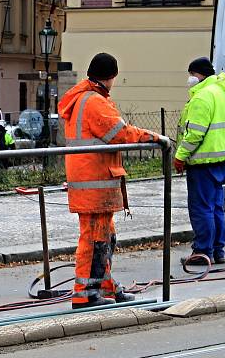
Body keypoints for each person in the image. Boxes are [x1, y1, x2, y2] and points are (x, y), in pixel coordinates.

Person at [58, 53, 162, 308]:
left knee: (104, 237)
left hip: (90, 181)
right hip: (95, 182)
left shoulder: (84, 99)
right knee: (94, 239)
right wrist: (153, 138)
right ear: (111, 77)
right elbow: (120, 134)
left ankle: (104, 285)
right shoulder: (95, 102)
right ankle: (85, 292)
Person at [174, 57, 225, 266]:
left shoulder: (203, 96)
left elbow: (195, 134)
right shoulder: (224, 92)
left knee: (201, 208)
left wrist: (180, 156)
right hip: (222, 159)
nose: (190, 79)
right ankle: (218, 250)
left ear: (199, 74)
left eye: (192, 75)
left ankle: (203, 251)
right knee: (215, 207)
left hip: (203, 161)